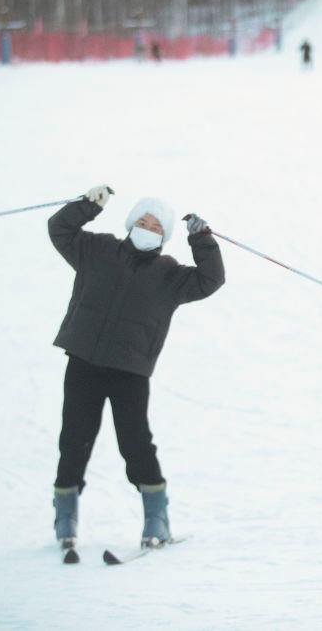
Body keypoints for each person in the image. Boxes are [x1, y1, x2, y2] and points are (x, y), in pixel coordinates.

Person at [49, 186, 225, 556]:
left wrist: (203, 240)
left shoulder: (171, 275)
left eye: (156, 226)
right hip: (84, 362)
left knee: (136, 444)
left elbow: (210, 280)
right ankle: (65, 517)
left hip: (130, 371)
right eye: (143, 221)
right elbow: (59, 229)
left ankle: (157, 519)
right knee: (74, 440)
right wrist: (86, 206)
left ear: (165, 236)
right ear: (131, 224)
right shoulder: (97, 251)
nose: (148, 228)